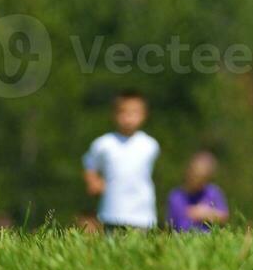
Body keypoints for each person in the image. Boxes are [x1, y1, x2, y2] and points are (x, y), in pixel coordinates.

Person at [82, 90, 160, 232]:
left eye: (134, 112)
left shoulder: (150, 145)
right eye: (123, 112)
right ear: (114, 114)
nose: (128, 118)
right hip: (112, 209)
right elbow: (89, 163)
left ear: (144, 115)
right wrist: (93, 181)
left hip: (143, 212)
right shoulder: (104, 144)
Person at [167, 151, 230, 232]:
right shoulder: (176, 196)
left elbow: (224, 217)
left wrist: (205, 213)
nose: (198, 181)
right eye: (196, 176)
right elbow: (172, 225)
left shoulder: (213, 192)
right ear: (189, 173)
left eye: (203, 178)